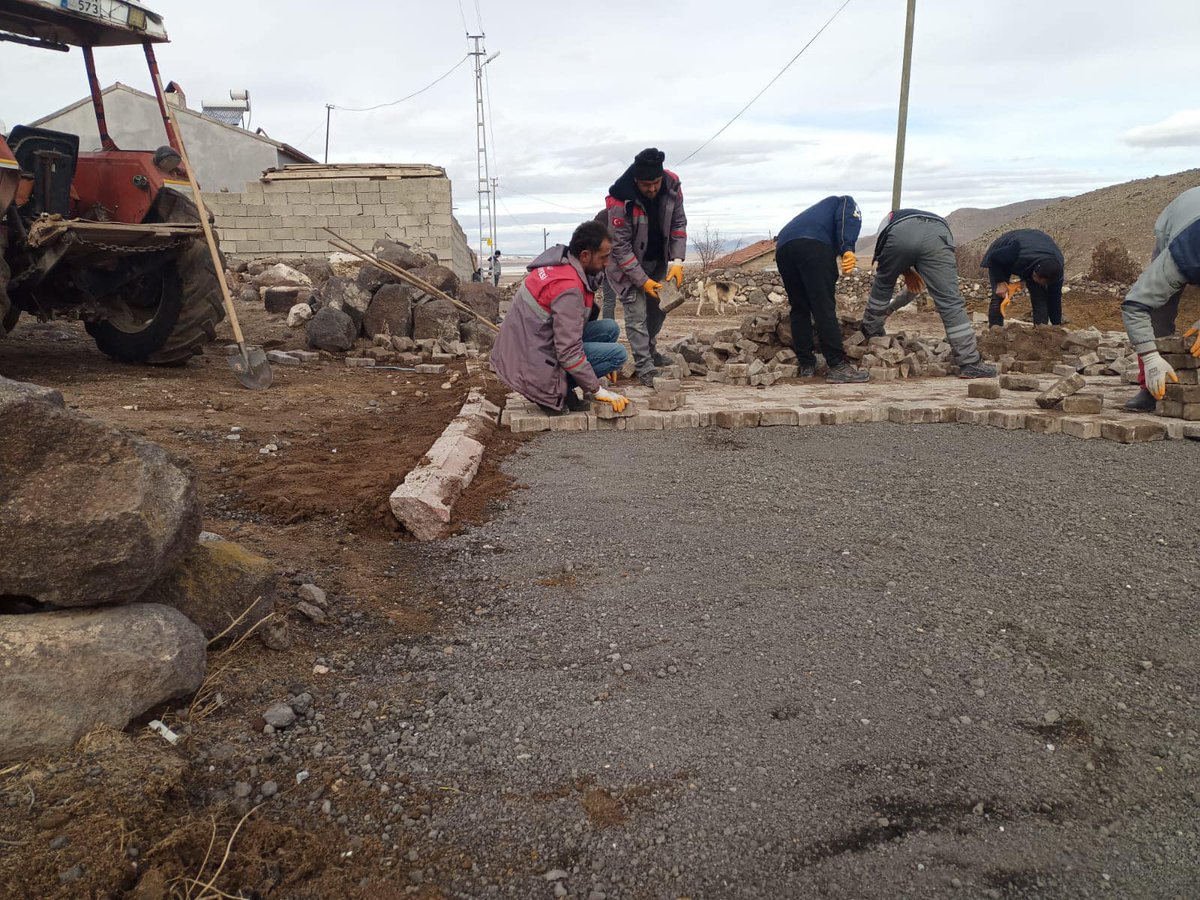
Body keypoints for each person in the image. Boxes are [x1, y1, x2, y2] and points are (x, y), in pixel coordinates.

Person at [491, 221, 630, 415]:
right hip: (530, 366)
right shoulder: (568, 288)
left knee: (609, 329)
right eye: (603, 257)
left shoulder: (562, 264)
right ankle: (554, 391)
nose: (607, 263)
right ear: (585, 255)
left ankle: (564, 385)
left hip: (526, 348)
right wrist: (597, 389)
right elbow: (567, 351)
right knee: (617, 355)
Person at [862, 209, 996, 378]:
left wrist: (888, 308)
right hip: (938, 235)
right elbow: (916, 287)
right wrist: (905, 276)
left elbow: (893, 269)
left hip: (899, 233)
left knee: (883, 286)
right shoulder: (928, 232)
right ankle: (970, 363)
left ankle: (870, 334)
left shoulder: (888, 222)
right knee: (950, 301)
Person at [596, 147, 687, 386]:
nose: (652, 189)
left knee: (658, 309)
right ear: (637, 180)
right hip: (626, 266)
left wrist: (677, 262)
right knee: (636, 314)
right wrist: (642, 281)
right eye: (647, 185)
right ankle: (645, 368)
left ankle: (651, 351)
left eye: (656, 183)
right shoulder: (620, 200)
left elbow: (678, 224)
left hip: (657, 259)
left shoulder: (672, 186)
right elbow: (621, 249)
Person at [1121, 186, 1200, 410]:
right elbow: (1135, 306)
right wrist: (1149, 358)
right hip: (1179, 224)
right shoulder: (1178, 256)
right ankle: (1151, 388)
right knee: (1159, 313)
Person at [775, 195, 868, 383]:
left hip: (784, 248)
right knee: (823, 307)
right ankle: (837, 365)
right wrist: (847, 247)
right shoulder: (845, 201)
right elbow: (848, 217)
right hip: (813, 246)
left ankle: (806, 365)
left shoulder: (812, 213)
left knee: (800, 308)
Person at [981, 229, 1065, 326]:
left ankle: (1041, 333)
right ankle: (995, 333)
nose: (1032, 280)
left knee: (1040, 298)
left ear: (1047, 282)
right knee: (999, 296)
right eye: (1033, 276)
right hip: (1002, 256)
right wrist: (1000, 283)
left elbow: (1054, 300)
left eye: (1037, 280)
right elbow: (994, 258)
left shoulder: (1056, 274)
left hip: (1034, 257)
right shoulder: (1016, 251)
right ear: (1035, 270)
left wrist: (1056, 327)